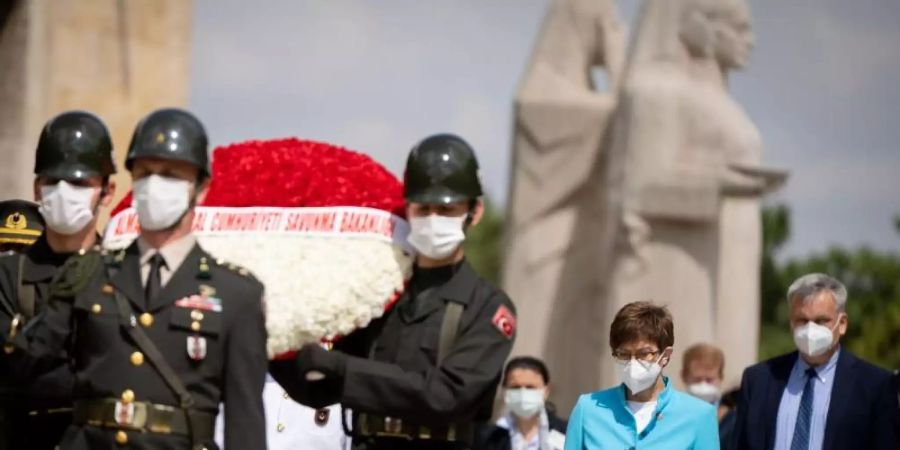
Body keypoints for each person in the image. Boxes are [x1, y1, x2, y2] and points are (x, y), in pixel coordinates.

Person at [3, 108, 268, 449]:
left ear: (201, 189)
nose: (155, 186)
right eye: (144, 173)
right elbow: (21, 366)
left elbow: (245, 426)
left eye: (171, 175)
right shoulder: (87, 273)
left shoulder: (236, 294)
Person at [270, 133, 517, 450]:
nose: (432, 220)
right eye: (422, 208)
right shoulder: (379, 294)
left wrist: (341, 367)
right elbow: (319, 390)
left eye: (447, 209)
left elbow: (446, 396)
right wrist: (276, 348)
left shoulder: (487, 306)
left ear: (475, 211)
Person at [0, 111, 116, 450]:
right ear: (37, 188)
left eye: (80, 183)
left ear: (107, 192)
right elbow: (12, 372)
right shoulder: (9, 276)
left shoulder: (126, 274)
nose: (64, 193)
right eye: (52, 181)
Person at [735, 273, 900, 450]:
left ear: (842, 323)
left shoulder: (875, 385)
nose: (810, 329)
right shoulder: (759, 379)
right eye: (802, 320)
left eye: (821, 321)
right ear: (791, 323)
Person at [564, 301, 719, 450]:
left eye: (644, 354)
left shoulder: (699, 415)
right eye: (623, 354)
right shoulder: (588, 409)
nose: (633, 363)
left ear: (665, 355)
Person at [477, 356, 567, 450]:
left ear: (546, 391)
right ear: (505, 392)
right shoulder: (489, 437)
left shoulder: (567, 432)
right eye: (515, 387)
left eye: (530, 387)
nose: (523, 393)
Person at [681, 343, 738, 449]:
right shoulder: (668, 412)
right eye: (697, 379)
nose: (703, 385)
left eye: (709, 380)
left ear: (721, 377)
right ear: (683, 375)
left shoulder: (734, 419)